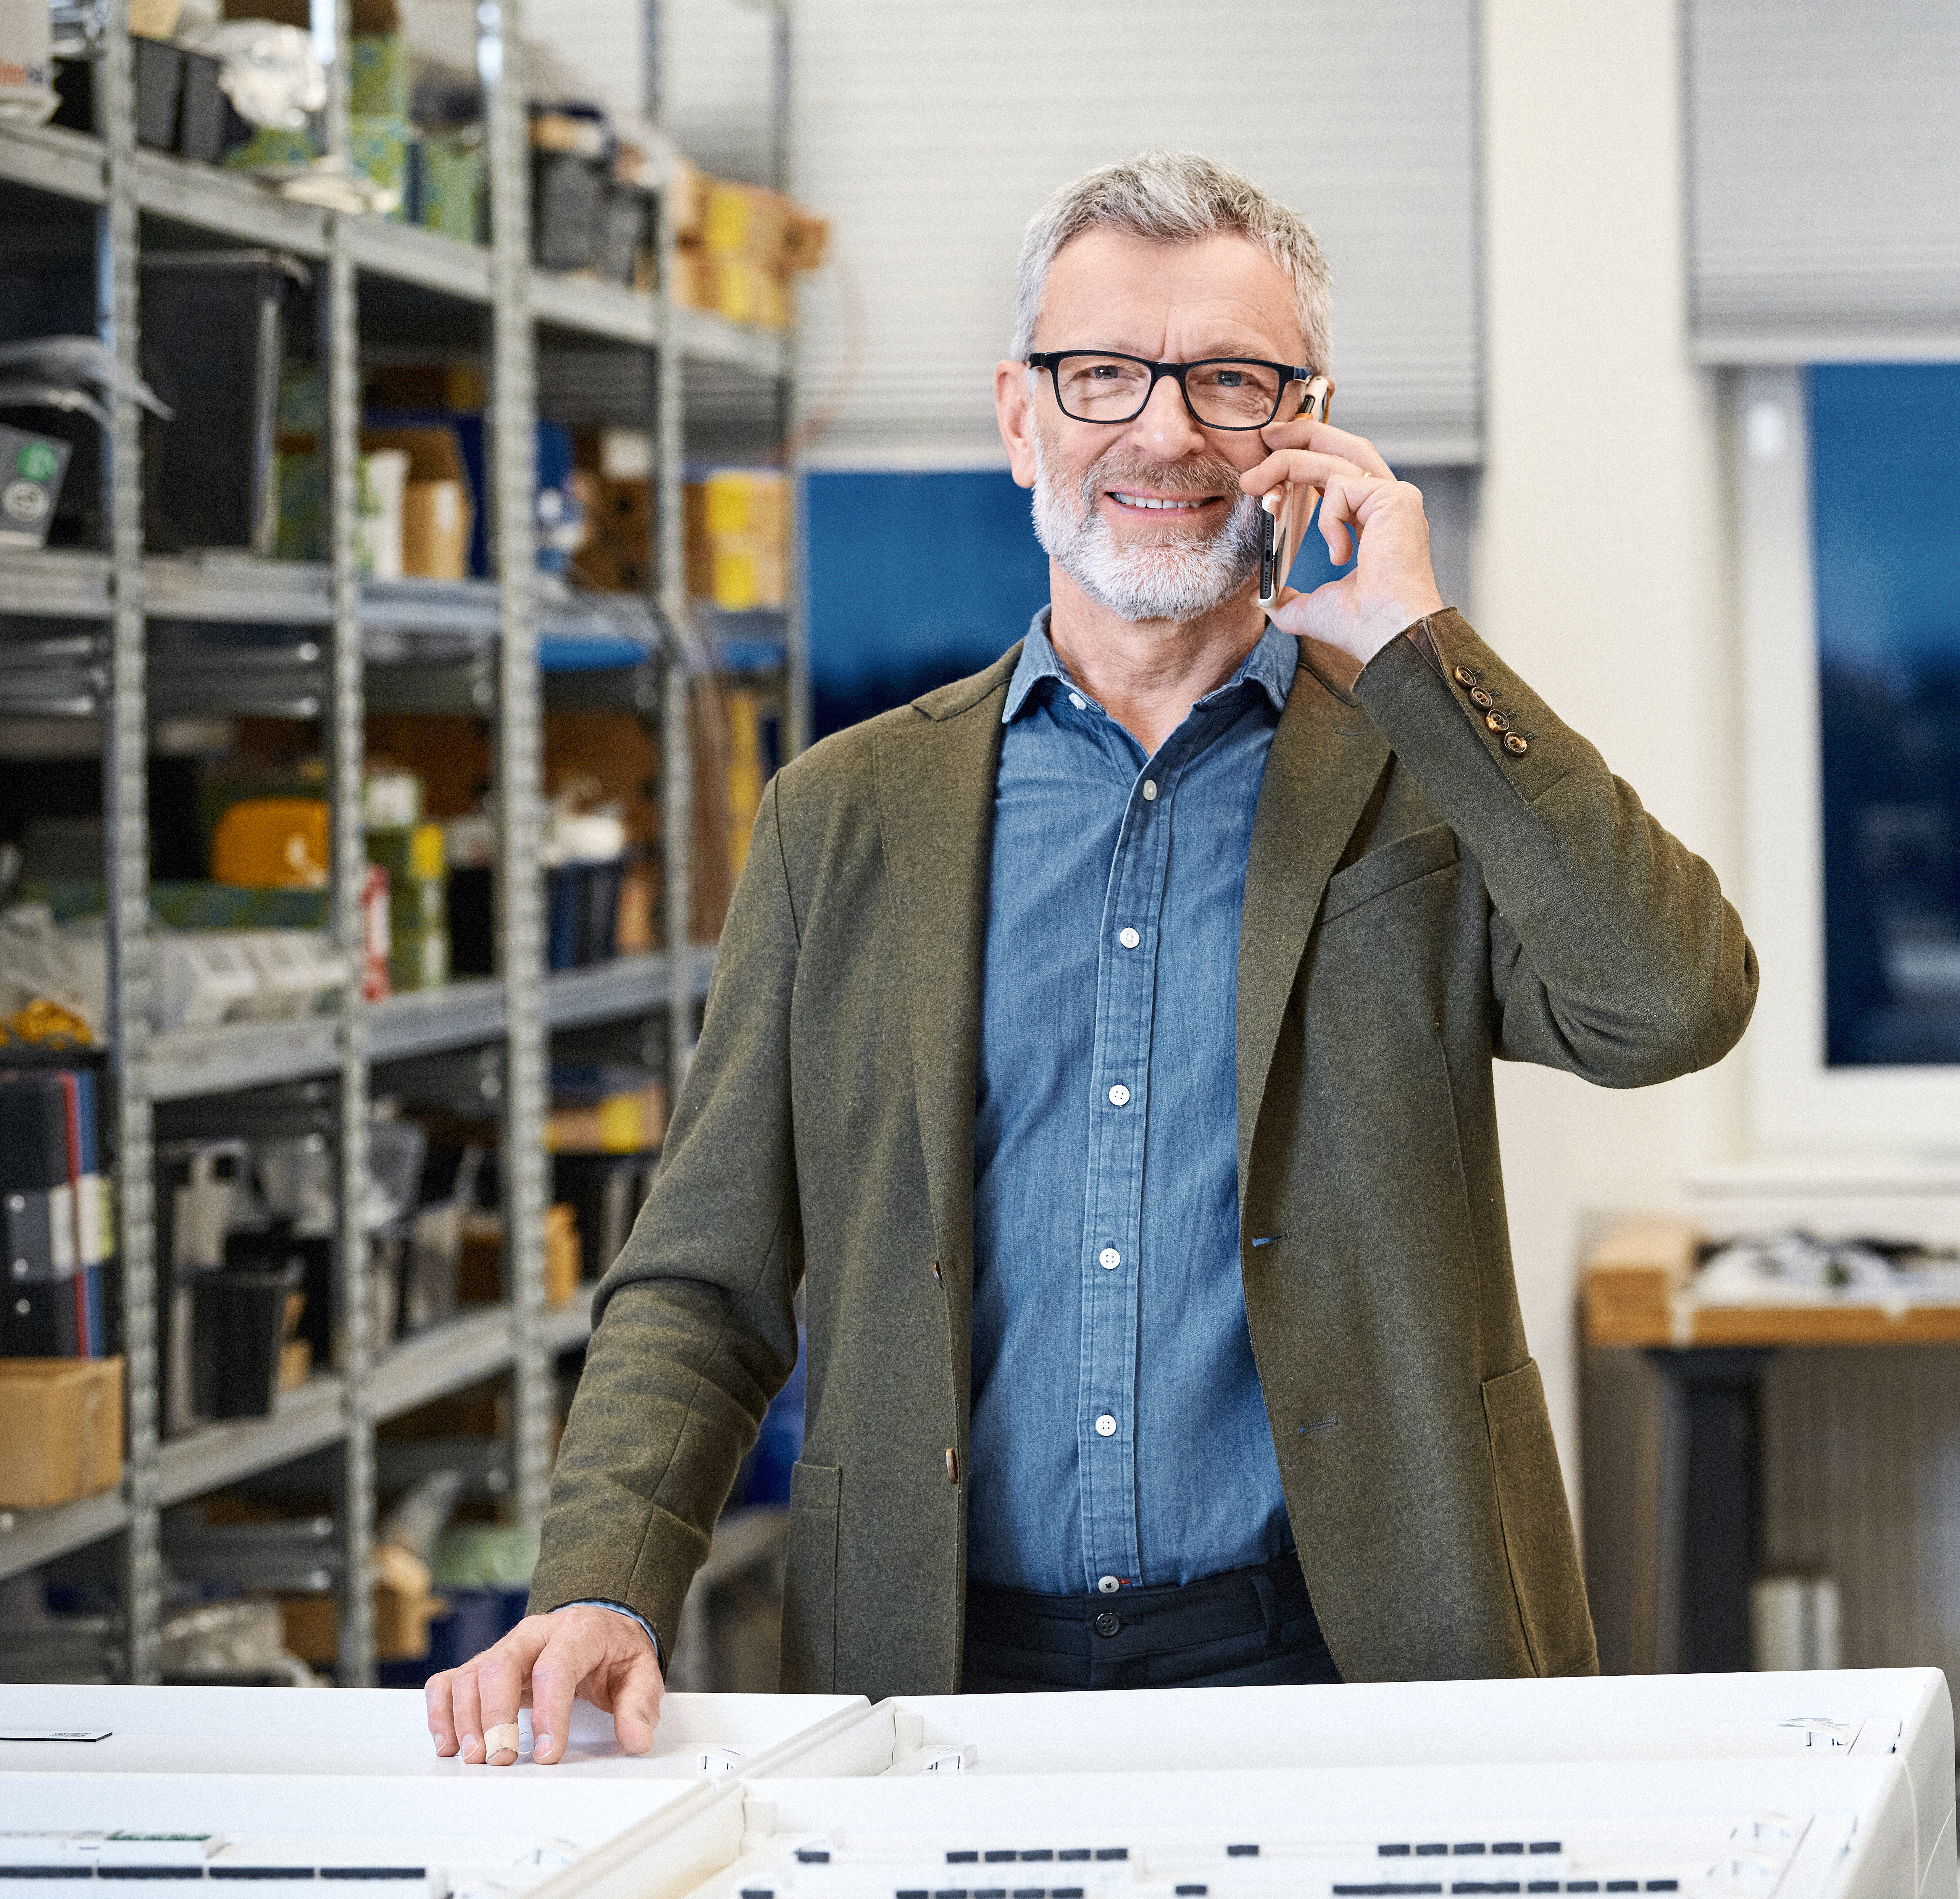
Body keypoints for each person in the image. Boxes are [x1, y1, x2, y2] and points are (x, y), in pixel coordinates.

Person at [425, 151, 1755, 1765]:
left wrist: (1420, 649)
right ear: (1016, 416)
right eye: (1105, 372)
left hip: (1349, 1662)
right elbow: (702, 1279)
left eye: (1231, 380)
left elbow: (1670, 999)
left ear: (1306, 425)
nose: (1166, 428)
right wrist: (605, 1582)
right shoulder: (846, 814)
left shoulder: (1422, 779)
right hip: (935, 1674)